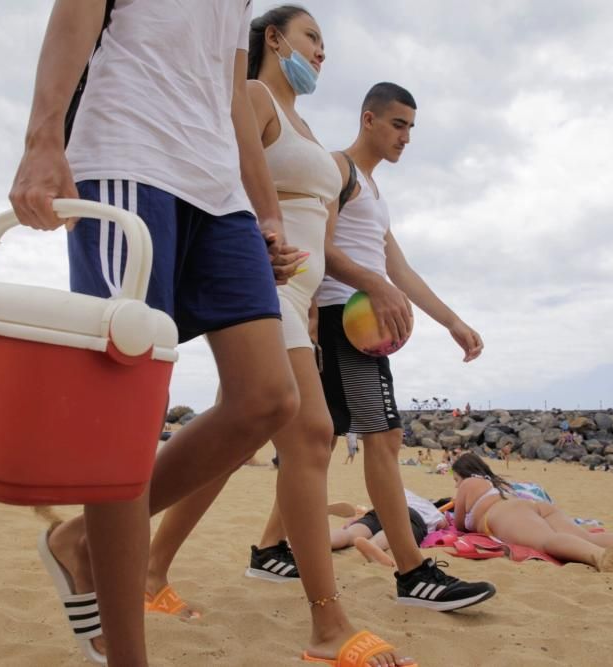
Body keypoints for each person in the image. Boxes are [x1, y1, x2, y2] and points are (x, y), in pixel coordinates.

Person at [10, 2, 303, 664]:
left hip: (218, 189)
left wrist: (268, 213)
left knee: (266, 396)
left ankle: (81, 538)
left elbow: (230, 91)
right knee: (127, 412)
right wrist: (42, 137)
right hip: (129, 152)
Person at [140, 8, 415, 665]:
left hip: (298, 303)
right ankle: (327, 625)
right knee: (313, 434)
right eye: (311, 38)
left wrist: (321, 310)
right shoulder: (256, 98)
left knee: (233, 438)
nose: (321, 52)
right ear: (273, 38)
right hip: (259, 286)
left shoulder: (306, 126)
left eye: (324, 44)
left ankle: (144, 568)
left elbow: (317, 234)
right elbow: (226, 177)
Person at [314, 81, 496, 612]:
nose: (406, 137)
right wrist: (374, 285)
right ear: (368, 119)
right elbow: (318, 249)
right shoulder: (337, 169)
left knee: (319, 442)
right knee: (385, 438)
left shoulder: (374, 193)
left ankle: (271, 550)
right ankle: (413, 572)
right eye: (398, 124)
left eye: (412, 127)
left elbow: (401, 271)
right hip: (346, 323)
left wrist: (452, 321)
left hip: (359, 322)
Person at [452, 453, 613, 573]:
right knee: (586, 536)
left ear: (462, 473)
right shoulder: (491, 484)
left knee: (546, 541)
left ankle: (598, 557)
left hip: (502, 514)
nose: (456, 485)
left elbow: (461, 525)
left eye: (455, 480)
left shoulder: (467, 484)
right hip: (530, 506)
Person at [330, 490, 447, 568]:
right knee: (392, 533)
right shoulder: (434, 511)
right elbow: (442, 525)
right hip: (413, 517)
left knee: (350, 533)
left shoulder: (406, 492)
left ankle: (325, 540)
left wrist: (357, 518)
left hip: (384, 509)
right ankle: (374, 544)